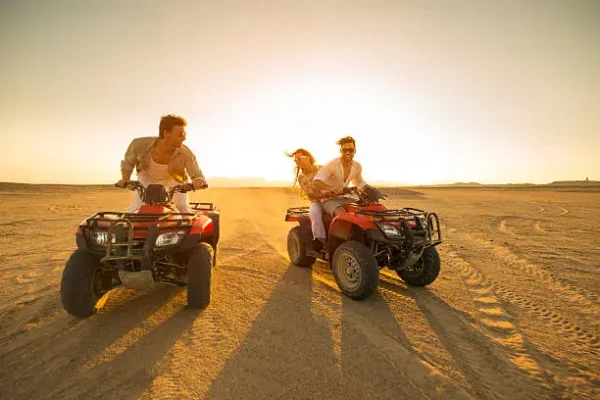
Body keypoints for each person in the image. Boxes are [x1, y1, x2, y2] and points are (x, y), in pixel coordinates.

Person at [117, 114, 207, 214]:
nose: (184, 138)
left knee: (183, 210)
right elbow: (128, 163)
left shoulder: (186, 153)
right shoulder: (139, 144)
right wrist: (125, 179)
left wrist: (198, 181)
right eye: (180, 134)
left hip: (174, 182)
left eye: (184, 134)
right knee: (137, 210)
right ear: (166, 133)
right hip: (147, 179)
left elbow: (197, 175)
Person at [286, 149, 335, 249]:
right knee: (315, 215)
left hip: (334, 196)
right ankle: (324, 244)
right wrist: (327, 195)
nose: (297, 162)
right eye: (296, 160)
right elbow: (312, 195)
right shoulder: (302, 177)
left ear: (308, 157)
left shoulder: (321, 168)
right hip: (317, 201)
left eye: (299, 159)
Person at [312, 136, 368, 217]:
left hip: (346, 198)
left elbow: (359, 182)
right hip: (329, 200)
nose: (348, 152)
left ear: (355, 151)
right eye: (345, 150)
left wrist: (368, 188)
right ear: (340, 151)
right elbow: (316, 182)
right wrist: (331, 189)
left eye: (351, 150)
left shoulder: (357, 166)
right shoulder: (332, 164)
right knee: (342, 214)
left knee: (365, 211)